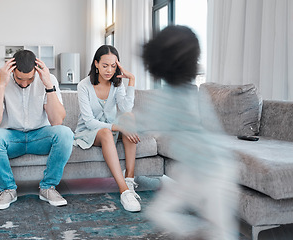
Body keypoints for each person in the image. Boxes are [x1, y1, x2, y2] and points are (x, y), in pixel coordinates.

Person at [125, 25, 239, 239]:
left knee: (221, 231)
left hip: (215, 173)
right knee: (159, 212)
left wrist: (123, 120)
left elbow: (144, 121)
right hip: (191, 172)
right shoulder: (186, 94)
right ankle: (198, 232)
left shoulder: (176, 99)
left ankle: (207, 232)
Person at [0, 50, 74, 210]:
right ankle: (8, 190)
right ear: (11, 71)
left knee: (65, 133)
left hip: (40, 136)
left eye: (30, 79)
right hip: (11, 138)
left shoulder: (48, 79)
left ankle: (48, 187)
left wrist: (48, 86)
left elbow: (57, 121)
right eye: (19, 79)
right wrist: (2, 85)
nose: (24, 84)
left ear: (36, 71)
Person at [74, 45, 142, 212]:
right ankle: (124, 191)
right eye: (105, 65)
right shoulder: (84, 86)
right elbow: (89, 122)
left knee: (129, 117)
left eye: (113, 66)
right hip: (89, 132)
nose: (109, 70)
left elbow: (126, 109)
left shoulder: (116, 84)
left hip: (111, 130)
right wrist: (118, 127)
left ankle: (129, 180)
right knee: (106, 131)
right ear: (96, 64)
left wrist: (131, 79)